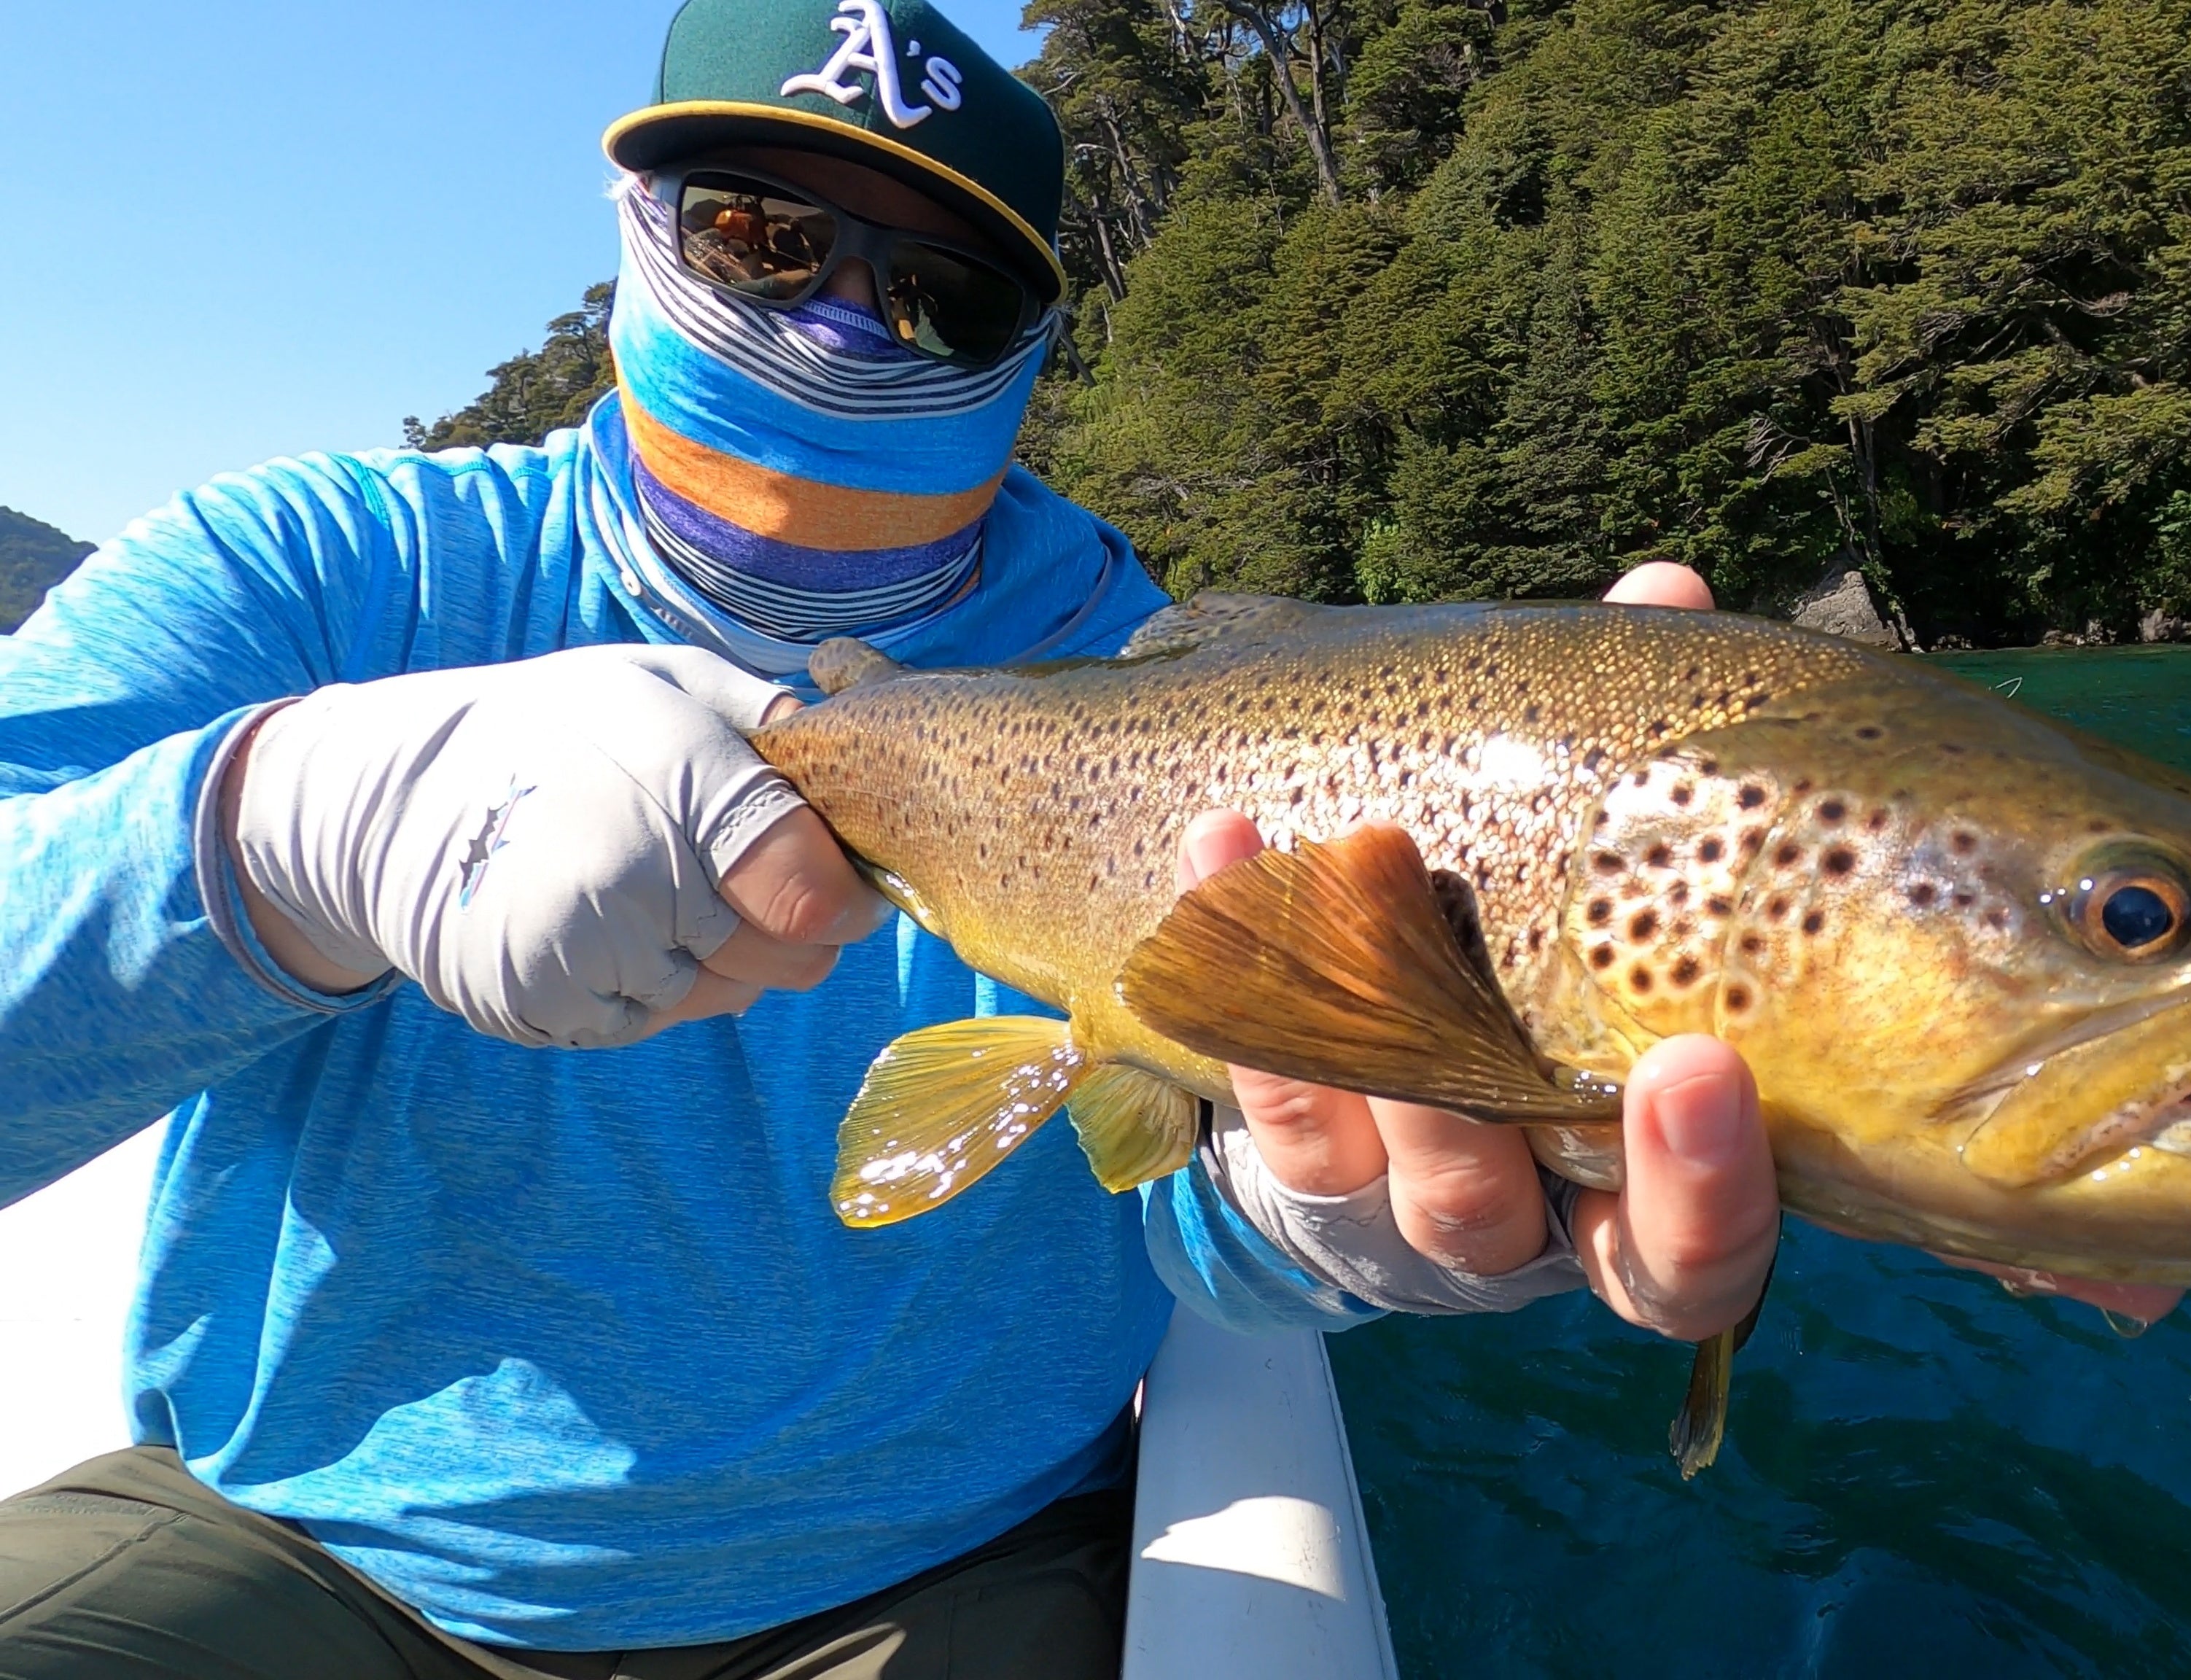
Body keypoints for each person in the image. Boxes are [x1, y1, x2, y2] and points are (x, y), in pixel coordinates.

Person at [0, 2, 1777, 1676]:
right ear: (636, 224)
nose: (847, 322)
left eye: (940, 296)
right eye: (761, 237)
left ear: (1033, 346)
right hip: (313, 1546)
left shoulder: (1175, 686)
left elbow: (1178, 1205)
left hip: (944, 1563)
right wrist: (272, 839)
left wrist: (1335, 1226)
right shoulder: (315, 570)